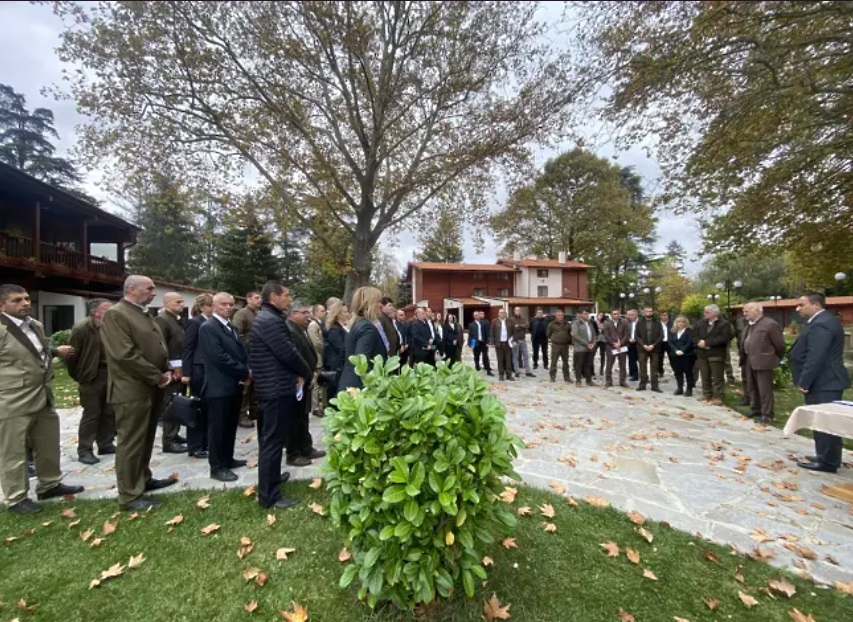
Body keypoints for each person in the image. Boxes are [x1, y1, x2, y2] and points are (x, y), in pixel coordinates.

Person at [0, 284, 84, 514]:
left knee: (47, 443)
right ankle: (16, 498)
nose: (25, 303)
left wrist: (56, 351)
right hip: (11, 398)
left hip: (42, 394)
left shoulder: (34, 325)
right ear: (2, 305)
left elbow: (39, 349)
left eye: (26, 298)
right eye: (17, 300)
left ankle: (49, 484)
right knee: (13, 451)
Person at [101, 275, 176, 511]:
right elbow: (124, 355)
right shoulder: (116, 314)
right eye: (149, 288)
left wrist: (167, 369)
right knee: (131, 442)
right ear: (132, 289)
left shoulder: (142, 312)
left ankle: (143, 478)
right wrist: (157, 376)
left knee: (145, 438)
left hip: (151, 387)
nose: (154, 292)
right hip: (131, 389)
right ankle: (130, 495)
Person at [250, 281, 314, 508]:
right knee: (272, 442)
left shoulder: (270, 318)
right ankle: (269, 496)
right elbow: (288, 353)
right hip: (275, 389)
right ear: (273, 297)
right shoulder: (270, 321)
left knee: (275, 440)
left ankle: (273, 478)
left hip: (275, 386)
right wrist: (306, 372)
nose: (289, 299)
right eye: (286, 295)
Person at [788, 291, 850, 473]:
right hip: (822, 380)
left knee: (826, 421)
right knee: (820, 420)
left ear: (816, 305)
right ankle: (824, 455)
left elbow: (816, 356)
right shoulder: (819, 321)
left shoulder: (822, 324)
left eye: (802, 304)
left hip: (824, 381)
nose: (797, 308)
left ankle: (828, 461)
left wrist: (804, 381)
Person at [198, 292, 251, 483]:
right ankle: (217, 466)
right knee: (218, 428)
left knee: (229, 425)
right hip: (218, 387)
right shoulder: (208, 327)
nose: (228, 307)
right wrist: (243, 372)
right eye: (223, 304)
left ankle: (227, 458)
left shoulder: (230, 327)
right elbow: (219, 357)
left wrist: (245, 369)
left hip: (233, 385)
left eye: (230, 304)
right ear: (214, 306)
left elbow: (239, 350)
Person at [66, 298, 116, 465]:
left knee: (109, 411)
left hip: (110, 374)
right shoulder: (82, 328)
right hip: (91, 376)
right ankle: (85, 450)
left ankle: (106, 443)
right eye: (107, 308)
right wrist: (80, 376)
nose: (112, 311)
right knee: (91, 414)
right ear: (95, 312)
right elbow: (72, 356)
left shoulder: (111, 326)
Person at [285, 302, 326, 466]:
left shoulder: (300, 328)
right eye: (304, 312)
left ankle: (306, 447)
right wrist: (302, 375)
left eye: (308, 312)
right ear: (293, 313)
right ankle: (293, 453)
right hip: (297, 381)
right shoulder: (289, 330)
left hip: (306, 378)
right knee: (294, 419)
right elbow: (293, 357)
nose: (308, 316)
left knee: (303, 417)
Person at [740, 302, 785, 424]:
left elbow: (779, 345)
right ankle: (756, 409)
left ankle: (767, 413)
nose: (744, 313)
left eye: (747, 311)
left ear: (757, 310)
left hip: (763, 361)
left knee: (764, 389)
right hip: (749, 359)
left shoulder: (769, 324)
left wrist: (774, 357)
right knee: (752, 386)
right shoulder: (749, 325)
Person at [154, 292, 188, 453]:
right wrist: (169, 367)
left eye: (182, 301)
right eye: (178, 302)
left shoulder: (176, 320)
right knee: (170, 403)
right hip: (171, 370)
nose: (181, 304)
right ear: (166, 303)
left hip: (180, 367)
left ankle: (175, 433)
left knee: (178, 402)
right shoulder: (162, 320)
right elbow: (161, 346)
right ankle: (168, 440)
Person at [337, 286, 388, 391]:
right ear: (370, 304)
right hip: (359, 389)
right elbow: (362, 362)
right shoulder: (367, 327)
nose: (381, 305)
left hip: (349, 383)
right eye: (378, 301)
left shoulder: (357, 324)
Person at [181, 294, 213, 459]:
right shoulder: (195, 322)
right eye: (210, 305)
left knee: (207, 408)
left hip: (208, 370)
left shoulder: (210, 322)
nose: (213, 308)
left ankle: (205, 443)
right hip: (198, 370)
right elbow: (188, 348)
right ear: (202, 307)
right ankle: (195, 446)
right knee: (197, 408)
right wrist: (186, 373)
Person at [692, 304, 733, 405]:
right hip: (702, 353)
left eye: (707, 312)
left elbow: (724, 338)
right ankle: (706, 394)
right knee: (704, 375)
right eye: (705, 312)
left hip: (716, 354)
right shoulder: (700, 323)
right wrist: (698, 342)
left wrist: (707, 343)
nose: (704, 314)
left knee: (717, 376)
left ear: (715, 313)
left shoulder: (724, 324)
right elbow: (694, 335)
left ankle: (718, 397)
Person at [232, 290, 262, 428]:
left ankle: (254, 411)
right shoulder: (241, 314)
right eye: (256, 298)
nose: (259, 300)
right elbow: (237, 334)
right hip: (245, 354)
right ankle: (241, 415)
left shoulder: (258, 314)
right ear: (248, 299)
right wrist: (250, 343)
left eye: (260, 298)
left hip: (257, 355)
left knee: (255, 385)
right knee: (246, 385)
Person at [635, 306, 663, 393]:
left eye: (651, 311)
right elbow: (636, 336)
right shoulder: (639, 323)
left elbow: (661, 336)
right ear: (644, 312)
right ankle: (642, 385)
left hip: (655, 348)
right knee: (642, 367)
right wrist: (643, 345)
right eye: (647, 311)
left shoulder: (658, 323)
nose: (649, 313)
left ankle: (655, 386)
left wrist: (653, 345)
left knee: (654, 367)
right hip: (642, 348)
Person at [307, 304, 326, 418]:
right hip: (317, 358)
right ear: (316, 312)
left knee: (321, 383)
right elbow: (316, 343)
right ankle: (315, 407)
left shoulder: (319, 324)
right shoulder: (313, 325)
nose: (324, 313)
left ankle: (321, 405)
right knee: (317, 384)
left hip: (321, 357)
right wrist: (325, 349)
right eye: (322, 311)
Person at [324, 303, 349, 389]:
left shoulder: (343, 327)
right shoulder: (334, 330)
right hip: (337, 367)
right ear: (338, 314)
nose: (347, 314)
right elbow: (340, 348)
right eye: (345, 312)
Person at [602, 308, 629, 388]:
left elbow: (626, 335)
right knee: (609, 365)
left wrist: (621, 343)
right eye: (614, 314)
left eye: (617, 313)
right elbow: (606, 335)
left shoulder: (624, 323)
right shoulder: (607, 323)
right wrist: (614, 344)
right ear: (611, 315)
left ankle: (622, 381)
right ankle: (609, 381)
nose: (616, 315)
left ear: (619, 314)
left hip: (622, 347)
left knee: (623, 365)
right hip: (611, 347)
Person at [669, 316, 695, 396]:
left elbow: (690, 342)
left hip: (687, 355)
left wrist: (683, 351)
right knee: (677, 372)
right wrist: (676, 350)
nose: (681, 323)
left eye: (683, 322)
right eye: (679, 322)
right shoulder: (672, 331)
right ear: (676, 323)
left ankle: (689, 389)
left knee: (688, 372)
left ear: (686, 323)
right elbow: (670, 342)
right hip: (675, 355)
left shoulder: (689, 331)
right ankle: (680, 388)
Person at [571, 308, 596, 387]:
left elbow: (594, 335)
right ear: (581, 314)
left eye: (588, 313)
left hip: (590, 348)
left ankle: (589, 380)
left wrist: (593, 343)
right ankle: (578, 380)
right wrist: (586, 343)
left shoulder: (590, 323)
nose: (587, 315)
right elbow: (576, 335)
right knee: (579, 365)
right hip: (580, 348)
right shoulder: (576, 323)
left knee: (588, 365)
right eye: (585, 313)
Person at [547, 309, 572, 383]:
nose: (560, 317)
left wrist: (569, 340)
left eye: (562, 315)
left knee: (566, 362)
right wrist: (554, 339)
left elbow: (569, 333)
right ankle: (552, 376)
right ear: (556, 316)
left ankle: (567, 377)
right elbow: (548, 334)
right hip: (556, 345)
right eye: (559, 315)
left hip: (565, 346)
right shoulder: (551, 324)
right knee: (554, 361)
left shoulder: (567, 324)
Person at [490, 308, 515, 381]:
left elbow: (514, 331)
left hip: (508, 343)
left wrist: (514, 340)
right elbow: (492, 332)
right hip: (499, 343)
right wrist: (492, 342)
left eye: (504, 312)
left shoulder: (510, 321)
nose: (502, 314)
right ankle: (501, 374)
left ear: (506, 314)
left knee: (508, 360)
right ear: (498, 314)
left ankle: (509, 375)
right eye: (501, 312)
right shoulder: (495, 321)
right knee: (500, 360)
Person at [511, 307, 534, 378]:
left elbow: (527, 325)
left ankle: (528, 371)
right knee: (515, 356)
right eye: (516, 310)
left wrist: (518, 326)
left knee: (526, 356)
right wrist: (521, 327)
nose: (518, 311)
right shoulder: (511, 319)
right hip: (515, 340)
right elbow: (512, 328)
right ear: (514, 311)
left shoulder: (523, 319)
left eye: (519, 310)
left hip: (523, 340)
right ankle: (517, 371)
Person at [468, 311, 493, 375]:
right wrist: (471, 344)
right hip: (476, 343)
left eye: (477, 315)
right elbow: (470, 335)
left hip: (483, 342)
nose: (476, 316)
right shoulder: (471, 325)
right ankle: (477, 368)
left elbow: (487, 333)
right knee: (476, 357)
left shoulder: (484, 323)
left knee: (485, 356)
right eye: (475, 315)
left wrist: (488, 341)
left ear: (479, 315)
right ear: (473, 316)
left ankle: (488, 370)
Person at [658, 310, 673, 378]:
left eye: (665, 315)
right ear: (660, 316)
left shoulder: (672, 323)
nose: (664, 316)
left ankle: (676, 371)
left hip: (669, 342)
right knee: (659, 359)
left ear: (668, 316)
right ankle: (660, 371)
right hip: (660, 343)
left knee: (672, 358)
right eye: (662, 315)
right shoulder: (658, 324)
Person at [626, 309, 639, 381]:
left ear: (636, 315)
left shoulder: (641, 322)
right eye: (629, 315)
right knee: (632, 360)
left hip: (639, 344)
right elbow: (625, 333)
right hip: (630, 344)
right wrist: (629, 339)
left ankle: (644, 374)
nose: (630, 316)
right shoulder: (627, 322)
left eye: (632, 315)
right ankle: (634, 375)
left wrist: (636, 339)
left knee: (641, 360)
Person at [594, 311, 607, 377]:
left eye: (601, 315)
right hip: (596, 340)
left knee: (602, 355)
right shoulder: (594, 322)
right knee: (592, 354)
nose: (600, 316)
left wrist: (602, 330)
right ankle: (591, 370)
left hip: (603, 340)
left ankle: (601, 369)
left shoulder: (605, 323)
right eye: (599, 315)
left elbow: (607, 331)